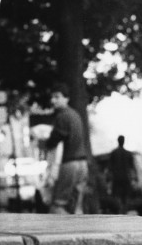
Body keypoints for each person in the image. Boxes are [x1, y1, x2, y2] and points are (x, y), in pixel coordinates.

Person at [44, 83, 89, 214]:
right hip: (83, 165)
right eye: (52, 97)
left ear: (66, 98)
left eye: (57, 97)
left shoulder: (62, 116)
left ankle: (62, 232)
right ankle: (79, 232)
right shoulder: (75, 115)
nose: (53, 100)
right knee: (76, 206)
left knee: (56, 206)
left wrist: (45, 142)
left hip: (70, 164)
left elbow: (53, 142)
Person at [108, 135, 136, 213]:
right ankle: (124, 210)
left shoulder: (114, 153)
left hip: (116, 178)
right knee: (126, 196)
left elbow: (110, 168)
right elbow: (132, 168)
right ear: (124, 141)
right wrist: (133, 178)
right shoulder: (128, 154)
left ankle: (120, 209)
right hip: (126, 178)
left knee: (117, 195)